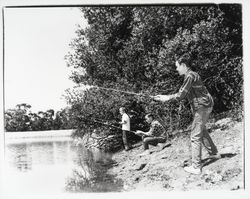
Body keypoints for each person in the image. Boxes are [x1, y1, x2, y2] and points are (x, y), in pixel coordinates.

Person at [153, 53, 220, 175]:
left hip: (202, 108)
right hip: (206, 105)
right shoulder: (193, 74)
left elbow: (180, 95)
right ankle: (214, 154)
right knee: (202, 131)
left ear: (183, 65)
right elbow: (184, 93)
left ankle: (196, 167)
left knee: (195, 136)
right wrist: (165, 97)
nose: (176, 69)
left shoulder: (189, 76)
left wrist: (166, 98)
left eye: (177, 66)